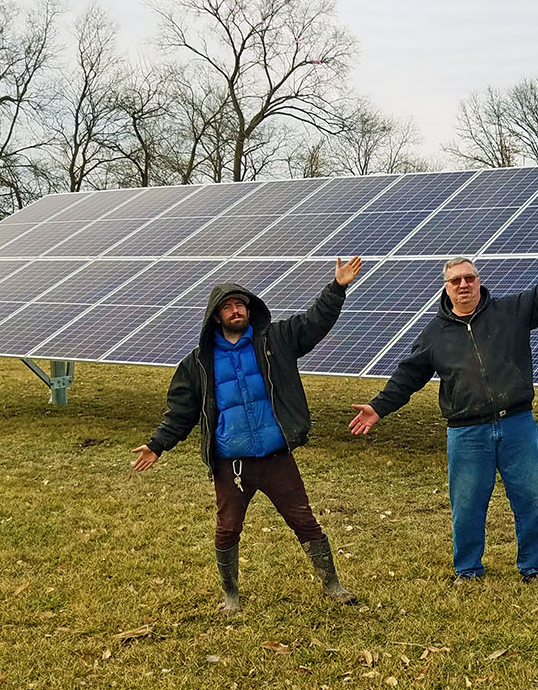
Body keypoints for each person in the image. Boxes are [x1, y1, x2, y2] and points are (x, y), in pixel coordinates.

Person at [349, 225, 538, 586]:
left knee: (530, 502)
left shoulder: (511, 311)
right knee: (467, 506)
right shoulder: (434, 334)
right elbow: (408, 377)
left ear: (479, 281)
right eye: (455, 281)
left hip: (517, 424)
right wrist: (378, 407)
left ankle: (533, 568)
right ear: (446, 287)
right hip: (466, 432)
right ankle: (467, 570)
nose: (464, 285)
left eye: (469, 278)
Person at [130, 256, 364, 615]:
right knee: (227, 529)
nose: (236, 310)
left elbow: (314, 323)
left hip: (276, 458)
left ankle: (332, 584)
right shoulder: (197, 363)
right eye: (228, 307)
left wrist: (337, 287)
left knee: (304, 520)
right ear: (215, 316)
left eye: (241, 304)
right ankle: (230, 594)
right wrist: (158, 444)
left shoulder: (277, 341)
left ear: (250, 310)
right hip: (231, 464)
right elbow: (181, 411)